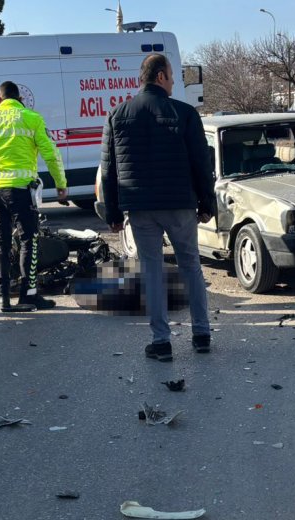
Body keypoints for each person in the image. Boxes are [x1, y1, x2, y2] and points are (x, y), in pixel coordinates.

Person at [99, 53, 215, 362]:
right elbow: (201, 162)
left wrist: (112, 212)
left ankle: (161, 342)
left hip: (140, 207)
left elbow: (108, 168)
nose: (174, 82)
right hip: (179, 203)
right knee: (190, 265)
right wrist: (207, 202)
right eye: (172, 77)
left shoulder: (117, 114)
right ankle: (201, 335)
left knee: (151, 270)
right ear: (161, 77)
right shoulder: (185, 113)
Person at [0, 81, 67, 312]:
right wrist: (61, 184)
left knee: (0, 244)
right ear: (18, 97)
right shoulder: (31, 118)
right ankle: (28, 296)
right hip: (22, 190)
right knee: (28, 241)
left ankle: (2, 298)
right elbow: (51, 153)